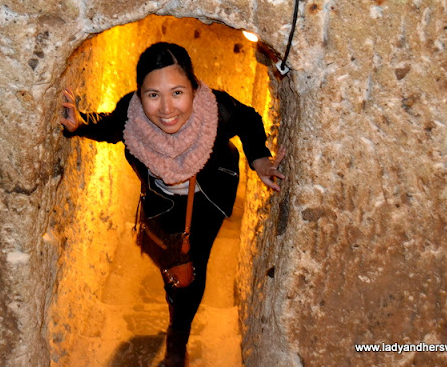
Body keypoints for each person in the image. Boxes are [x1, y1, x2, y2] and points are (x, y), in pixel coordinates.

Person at [61, 42, 285, 366]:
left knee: (193, 267)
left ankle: (177, 338)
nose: (167, 108)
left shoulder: (215, 110)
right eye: (154, 95)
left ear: (193, 89)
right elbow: (111, 127)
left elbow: (248, 119)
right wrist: (80, 123)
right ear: (140, 95)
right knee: (172, 266)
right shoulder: (132, 114)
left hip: (207, 200)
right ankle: (175, 295)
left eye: (177, 92)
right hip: (162, 204)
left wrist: (260, 159)